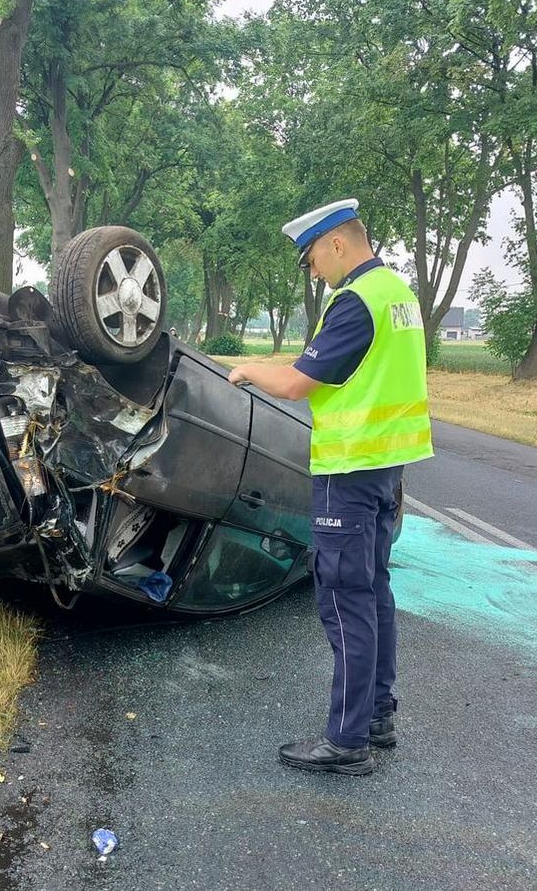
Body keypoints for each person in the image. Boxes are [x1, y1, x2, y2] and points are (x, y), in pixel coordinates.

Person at [227, 198, 433, 775]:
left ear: (337, 243)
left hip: (349, 471)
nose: (313, 270)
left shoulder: (355, 301)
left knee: (344, 601)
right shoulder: (397, 294)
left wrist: (246, 371)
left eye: (312, 257)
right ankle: (376, 715)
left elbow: (295, 384)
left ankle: (346, 743)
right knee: (374, 590)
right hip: (386, 470)